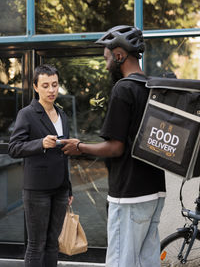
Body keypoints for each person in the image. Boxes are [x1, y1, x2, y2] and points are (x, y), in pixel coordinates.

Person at [61, 25, 166, 267]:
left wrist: (80, 146)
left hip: (129, 194)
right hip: (155, 190)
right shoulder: (152, 86)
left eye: (107, 58)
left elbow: (115, 148)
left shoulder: (124, 89)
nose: (107, 64)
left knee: (121, 261)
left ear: (119, 55)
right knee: (147, 260)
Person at [8, 64, 73, 267]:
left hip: (61, 188)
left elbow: (64, 156)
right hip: (37, 190)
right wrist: (40, 144)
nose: (51, 90)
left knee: (53, 243)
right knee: (37, 244)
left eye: (54, 85)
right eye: (45, 85)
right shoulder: (27, 114)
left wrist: (69, 187)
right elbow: (14, 148)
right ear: (36, 87)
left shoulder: (62, 115)